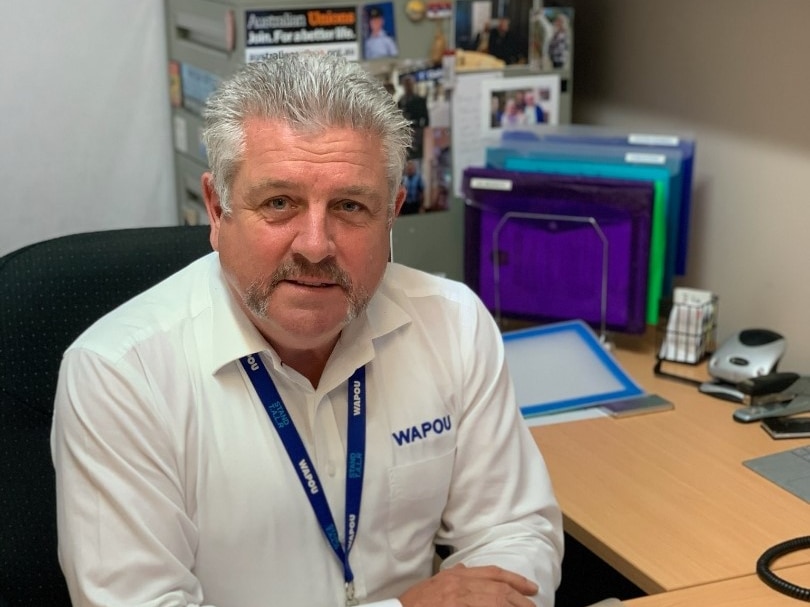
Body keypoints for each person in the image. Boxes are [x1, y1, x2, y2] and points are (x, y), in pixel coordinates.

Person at [51, 52, 563, 607]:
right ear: (217, 211)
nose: (316, 245)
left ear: (391, 214)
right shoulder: (120, 374)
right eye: (279, 203)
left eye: (349, 206)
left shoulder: (453, 324)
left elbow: (514, 531)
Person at [397, 76, 429, 158]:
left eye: (409, 84)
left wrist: (422, 131)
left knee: (417, 153)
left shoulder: (419, 100)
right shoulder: (401, 101)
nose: (408, 87)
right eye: (406, 85)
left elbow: (426, 118)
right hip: (405, 132)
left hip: (417, 130)